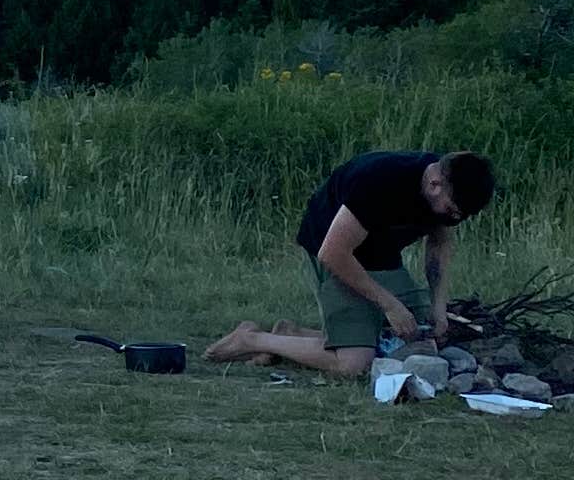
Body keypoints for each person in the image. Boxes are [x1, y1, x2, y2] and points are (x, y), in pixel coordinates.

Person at [205, 149, 498, 378]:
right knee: (355, 363)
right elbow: (333, 253)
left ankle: (291, 336)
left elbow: (439, 245)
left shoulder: (450, 183)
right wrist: (389, 304)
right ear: (435, 184)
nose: (453, 219)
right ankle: (252, 340)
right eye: (451, 210)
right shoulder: (378, 181)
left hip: (382, 256)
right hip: (332, 251)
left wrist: (438, 305)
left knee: (416, 341)